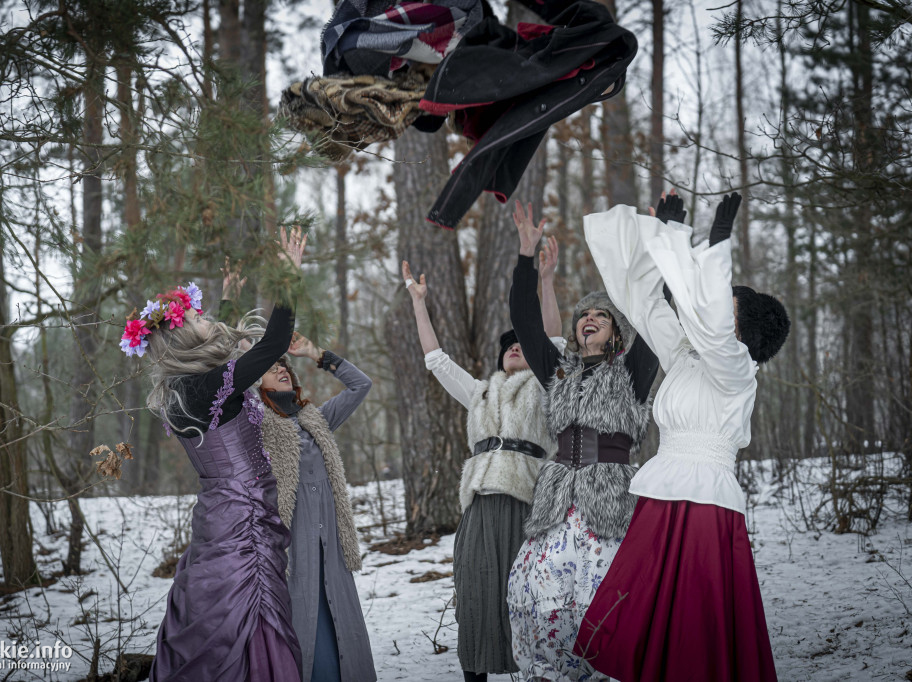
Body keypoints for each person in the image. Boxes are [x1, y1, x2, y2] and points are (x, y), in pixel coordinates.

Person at [573, 192, 789, 681]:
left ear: (744, 332)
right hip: (662, 497)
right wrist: (661, 237)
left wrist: (709, 243)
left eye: (725, 307)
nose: (709, 309)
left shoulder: (738, 371)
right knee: (647, 619)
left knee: (695, 626)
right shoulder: (686, 356)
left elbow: (712, 328)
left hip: (705, 508)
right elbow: (645, 305)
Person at [131, 227, 308, 681]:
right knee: (248, 605)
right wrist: (288, 281)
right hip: (244, 518)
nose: (208, 320)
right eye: (200, 320)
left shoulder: (184, 391)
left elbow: (226, 361)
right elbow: (268, 348)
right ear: (186, 339)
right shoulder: (210, 387)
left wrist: (231, 300)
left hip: (217, 511)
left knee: (214, 606)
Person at [504, 200, 660, 682]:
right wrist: (526, 256)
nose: (589, 318)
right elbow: (525, 318)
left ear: (617, 332)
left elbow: (658, 312)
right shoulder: (558, 373)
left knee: (607, 602)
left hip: (610, 501)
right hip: (556, 501)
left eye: (602, 315)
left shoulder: (631, 372)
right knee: (538, 600)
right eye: (583, 314)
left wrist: (652, 246)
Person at [402, 260, 563, 682]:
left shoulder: (549, 387)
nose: (515, 347)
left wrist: (545, 280)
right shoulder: (479, 392)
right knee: (474, 593)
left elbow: (555, 339)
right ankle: (476, 674)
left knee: (525, 594)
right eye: (509, 346)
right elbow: (436, 361)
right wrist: (419, 304)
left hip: (526, 505)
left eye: (523, 345)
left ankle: (533, 670)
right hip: (477, 506)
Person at [257, 331, 377, 682]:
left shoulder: (317, 420)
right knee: (310, 648)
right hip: (293, 558)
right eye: (270, 367)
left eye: (283, 365)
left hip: (333, 554)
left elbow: (361, 386)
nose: (281, 369)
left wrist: (316, 353)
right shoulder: (256, 428)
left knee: (347, 647)